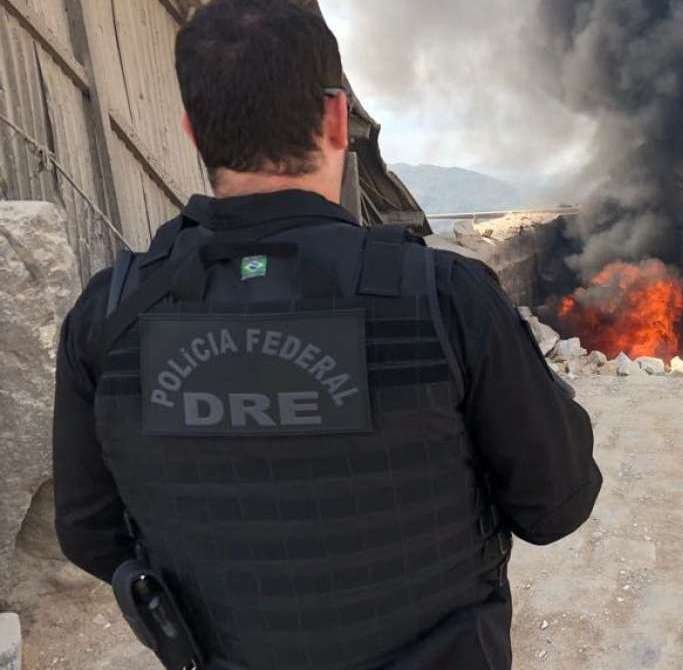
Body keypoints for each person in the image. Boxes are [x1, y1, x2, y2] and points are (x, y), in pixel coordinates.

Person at [51, 1, 601, 668]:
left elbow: (89, 533)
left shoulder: (107, 318)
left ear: (195, 133)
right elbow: (556, 505)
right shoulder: (444, 298)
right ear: (337, 117)